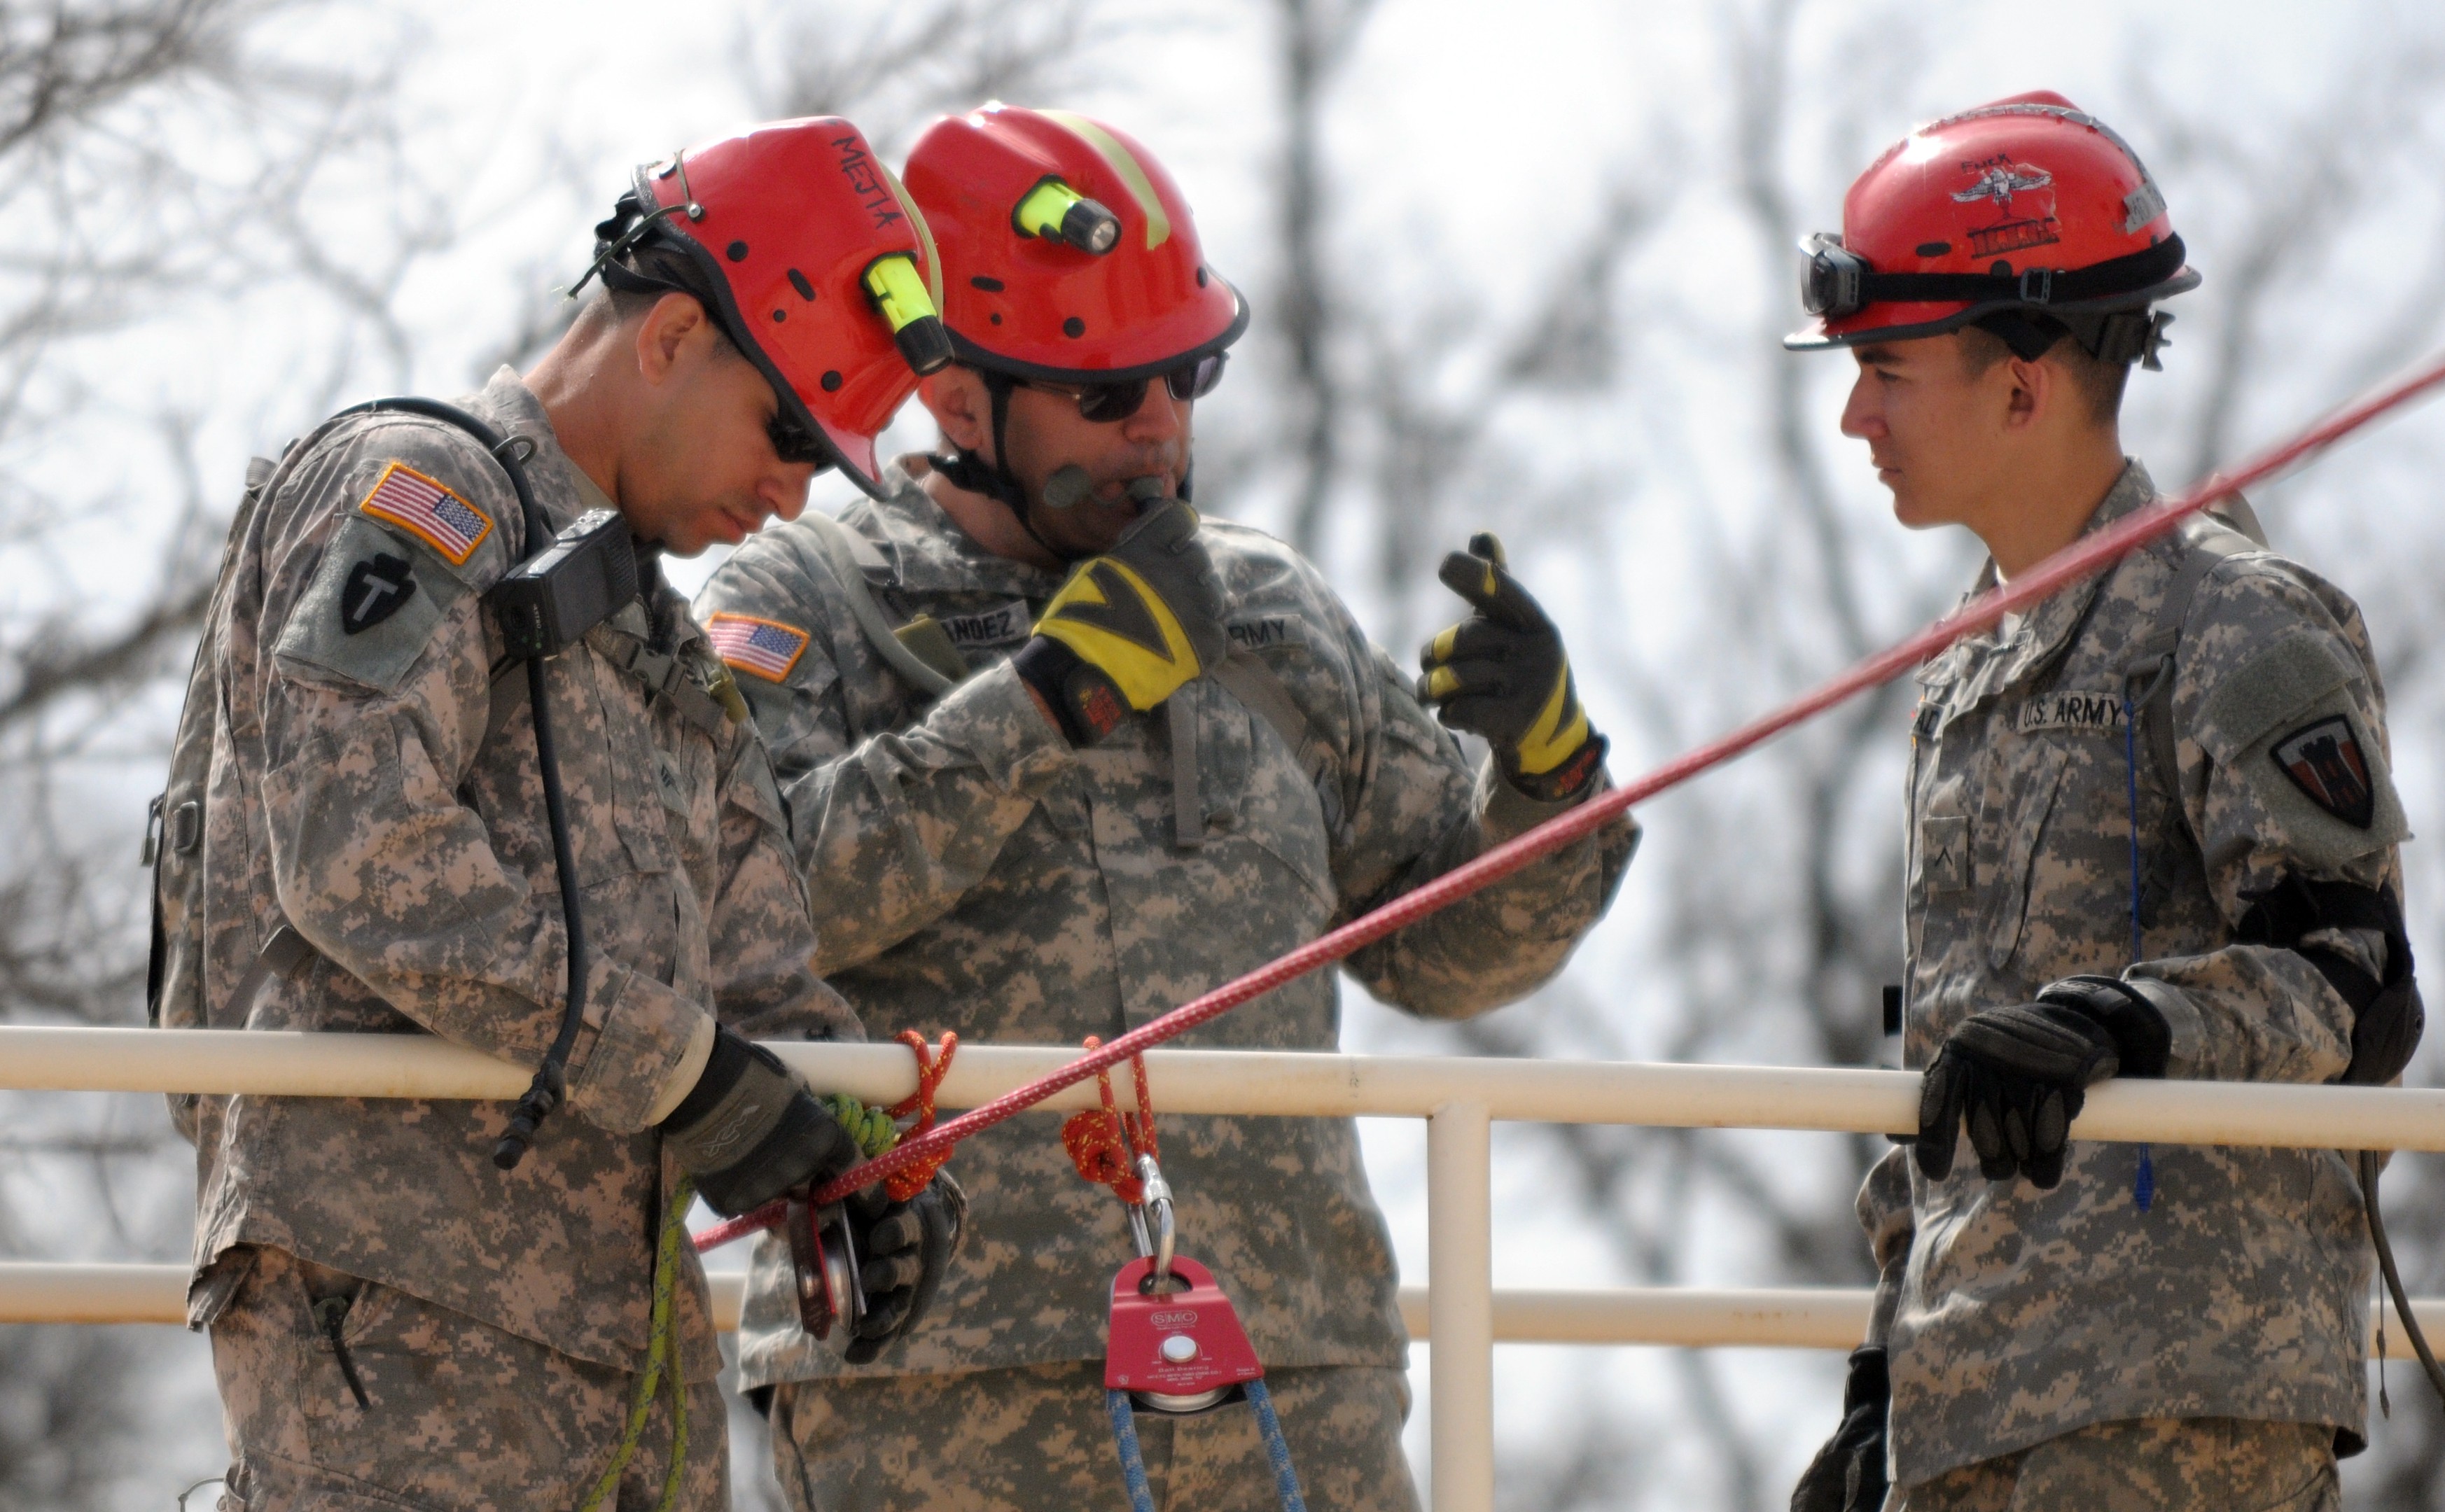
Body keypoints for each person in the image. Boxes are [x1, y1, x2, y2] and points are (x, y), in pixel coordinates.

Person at [695, 103, 1636, 1511]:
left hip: (1284, 1378)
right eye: (1108, 395)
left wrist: (1550, 776)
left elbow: (1446, 956)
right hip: (945, 1399)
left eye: (1188, 376)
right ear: (955, 394)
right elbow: (747, 908)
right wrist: (1044, 705)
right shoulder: (799, 602)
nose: (1160, 430)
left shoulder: (1269, 612)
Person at [158, 119, 966, 1511]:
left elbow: (757, 967)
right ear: (667, 341)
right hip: (394, 1342)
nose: (792, 492)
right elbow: (363, 856)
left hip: (627, 1351)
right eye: (788, 431)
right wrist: (692, 1083)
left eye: (823, 468)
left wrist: (867, 1152)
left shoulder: (657, 634)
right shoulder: (418, 493)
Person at [1784, 93, 2418, 1512]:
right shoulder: (1962, 672)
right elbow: (1944, 1058)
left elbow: (2354, 986)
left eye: (1886, 368)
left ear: (2023, 384)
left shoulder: (2235, 621)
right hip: (1972, 1405)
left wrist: (2115, 1023)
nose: (1852, 415)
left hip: (2176, 1404)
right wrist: (1880, 1388)